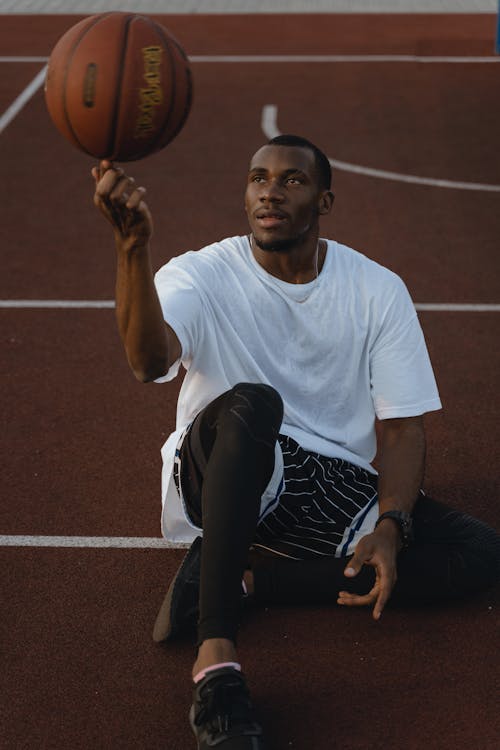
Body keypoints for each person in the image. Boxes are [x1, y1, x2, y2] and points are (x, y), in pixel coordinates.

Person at [92, 135, 500, 750]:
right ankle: (217, 661)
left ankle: (247, 580)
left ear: (324, 201)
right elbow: (149, 361)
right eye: (259, 178)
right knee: (256, 401)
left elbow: (402, 426)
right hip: (218, 464)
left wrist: (392, 523)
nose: (270, 191)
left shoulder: (376, 289)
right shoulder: (201, 273)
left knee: (478, 552)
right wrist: (132, 247)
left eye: (291, 180)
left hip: (321, 481)